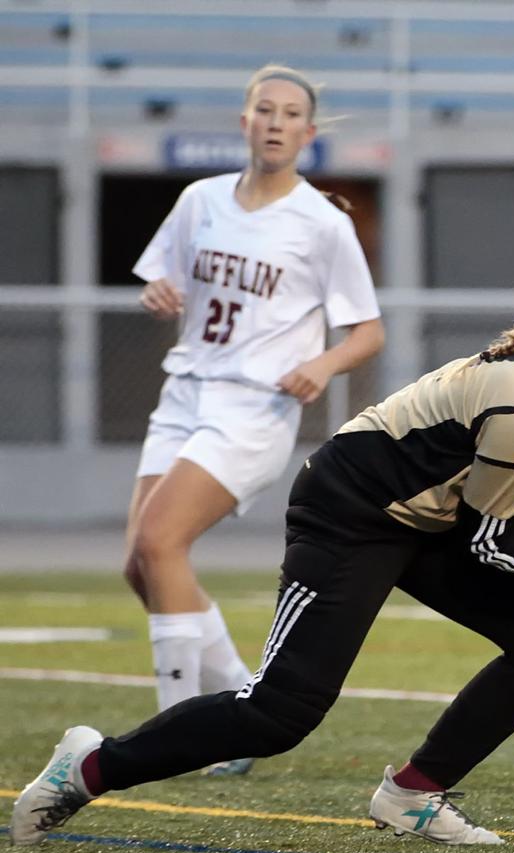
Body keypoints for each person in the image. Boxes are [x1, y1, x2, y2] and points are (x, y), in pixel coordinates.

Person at [10, 238, 514, 848]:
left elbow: (499, 512)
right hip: (352, 509)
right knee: (281, 711)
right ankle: (90, 765)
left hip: (436, 517)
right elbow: (488, 540)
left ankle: (413, 792)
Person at [123, 64, 385, 776]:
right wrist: (160, 291)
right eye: (263, 109)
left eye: (289, 112)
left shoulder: (321, 223)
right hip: (185, 393)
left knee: (160, 541)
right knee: (140, 565)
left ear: (307, 131)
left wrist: (324, 366)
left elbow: (367, 330)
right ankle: (240, 705)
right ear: (244, 121)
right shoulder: (199, 199)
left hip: (253, 407)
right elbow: (163, 276)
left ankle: (172, 735)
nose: (274, 121)